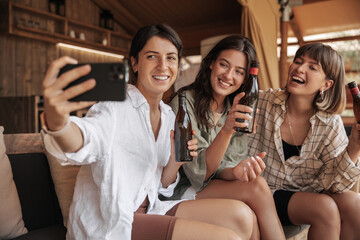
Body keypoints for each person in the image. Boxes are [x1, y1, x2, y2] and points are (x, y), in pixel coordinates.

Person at [41, 24, 255, 240]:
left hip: (153, 208)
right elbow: (84, 138)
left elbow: (161, 186)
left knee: (241, 216)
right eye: (152, 56)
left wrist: (175, 161)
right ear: (134, 63)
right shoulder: (114, 107)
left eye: (170, 58)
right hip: (115, 223)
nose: (163, 66)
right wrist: (58, 123)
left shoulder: (169, 115)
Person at [166, 35, 285, 240]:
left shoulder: (235, 108)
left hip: (213, 186)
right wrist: (227, 130)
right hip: (183, 189)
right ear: (211, 63)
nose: (229, 75)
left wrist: (236, 172)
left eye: (239, 72)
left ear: (245, 78)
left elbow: (226, 167)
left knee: (254, 196)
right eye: (224, 65)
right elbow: (199, 174)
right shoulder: (185, 103)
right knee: (257, 189)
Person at [248, 42, 360, 240]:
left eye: (312, 67)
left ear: (326, 85)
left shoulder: (329, 123)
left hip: (305, 195)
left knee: (355, 204)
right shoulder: (263, 101)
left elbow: (335, 185)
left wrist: (354, 147)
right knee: (324, 207)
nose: (299, 68)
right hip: (262, 192)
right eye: (298, 61)